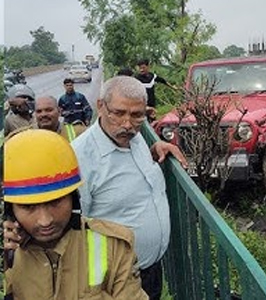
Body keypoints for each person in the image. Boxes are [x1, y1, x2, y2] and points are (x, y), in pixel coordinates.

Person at [3, 129, 148, 300]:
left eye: (55, 202)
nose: (45, 221)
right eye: (28, 207)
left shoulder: (115, 247)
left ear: (74, 198)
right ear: (10, 210)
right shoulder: (7, 254)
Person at [71, 75, 172, 299]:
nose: (127, 123)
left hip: (151, 270)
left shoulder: (134, 138)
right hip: (116, 283)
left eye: (137, 115)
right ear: (101, 107)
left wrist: (155, 149)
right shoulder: (80, 158)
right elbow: (71, 230)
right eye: (118, 113)